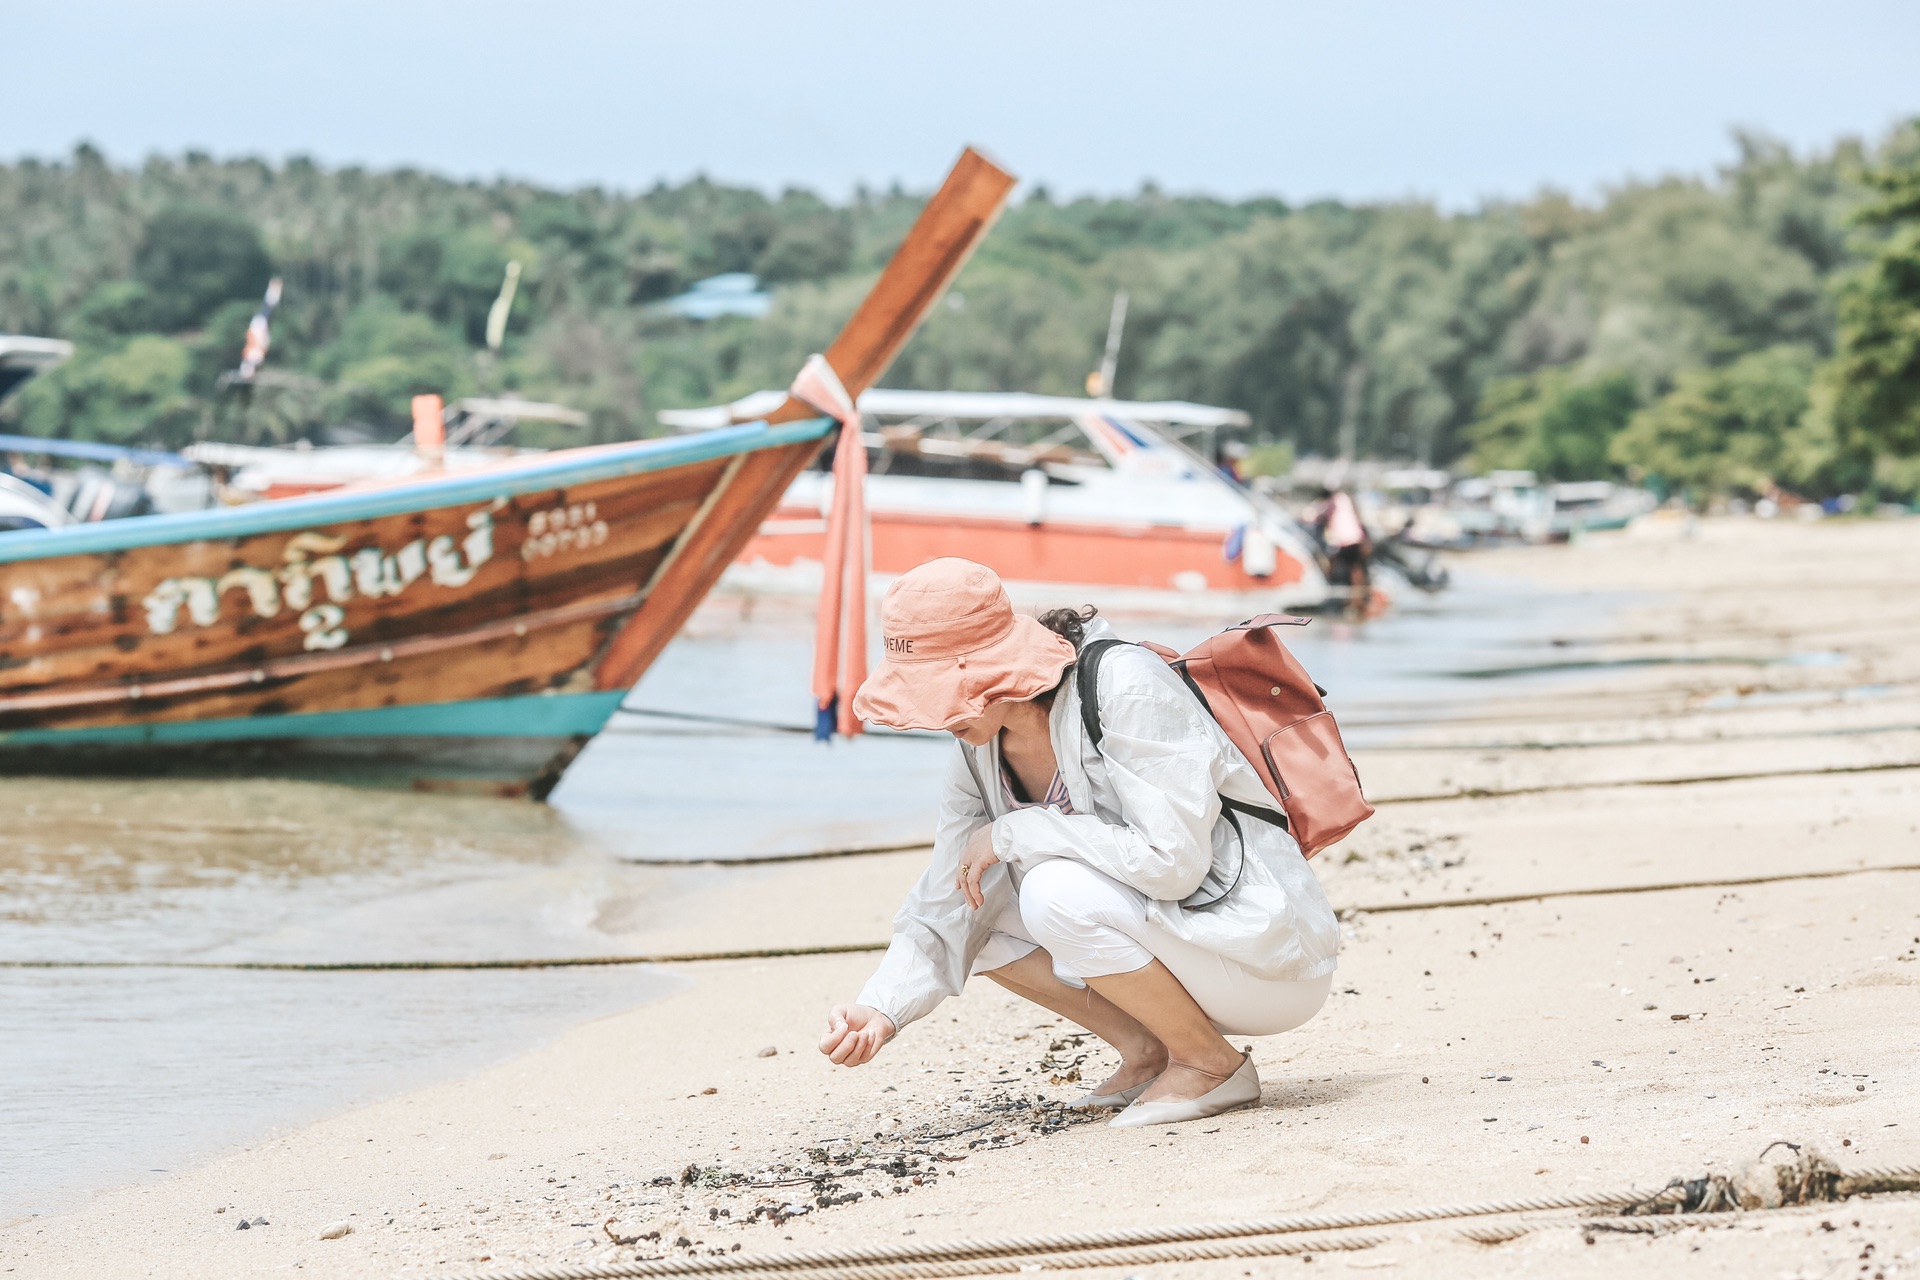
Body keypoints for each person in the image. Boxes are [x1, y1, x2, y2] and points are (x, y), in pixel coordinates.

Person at [818, 559, 1339, 1128]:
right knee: (975, 904)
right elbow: (945, 898)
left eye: (942, 689)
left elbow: (1174, 865)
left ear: (994, 669)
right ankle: (1150, 1051)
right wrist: (880, 1007)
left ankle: (1211, 1064)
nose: (938, 714)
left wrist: (1017, 830)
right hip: (1188, 951)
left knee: (1050, 889)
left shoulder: (1125, 684)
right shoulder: (977, 745)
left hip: (1265, 960)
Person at [1313, 484, 1373, 619]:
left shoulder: (1332, 502)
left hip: (1346, 541)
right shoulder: (1344, 499)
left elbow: (1322, 518)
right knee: (1356, 569)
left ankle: (1353, 600)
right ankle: (1356, 600)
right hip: (1355, 538)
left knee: (1345, 568)